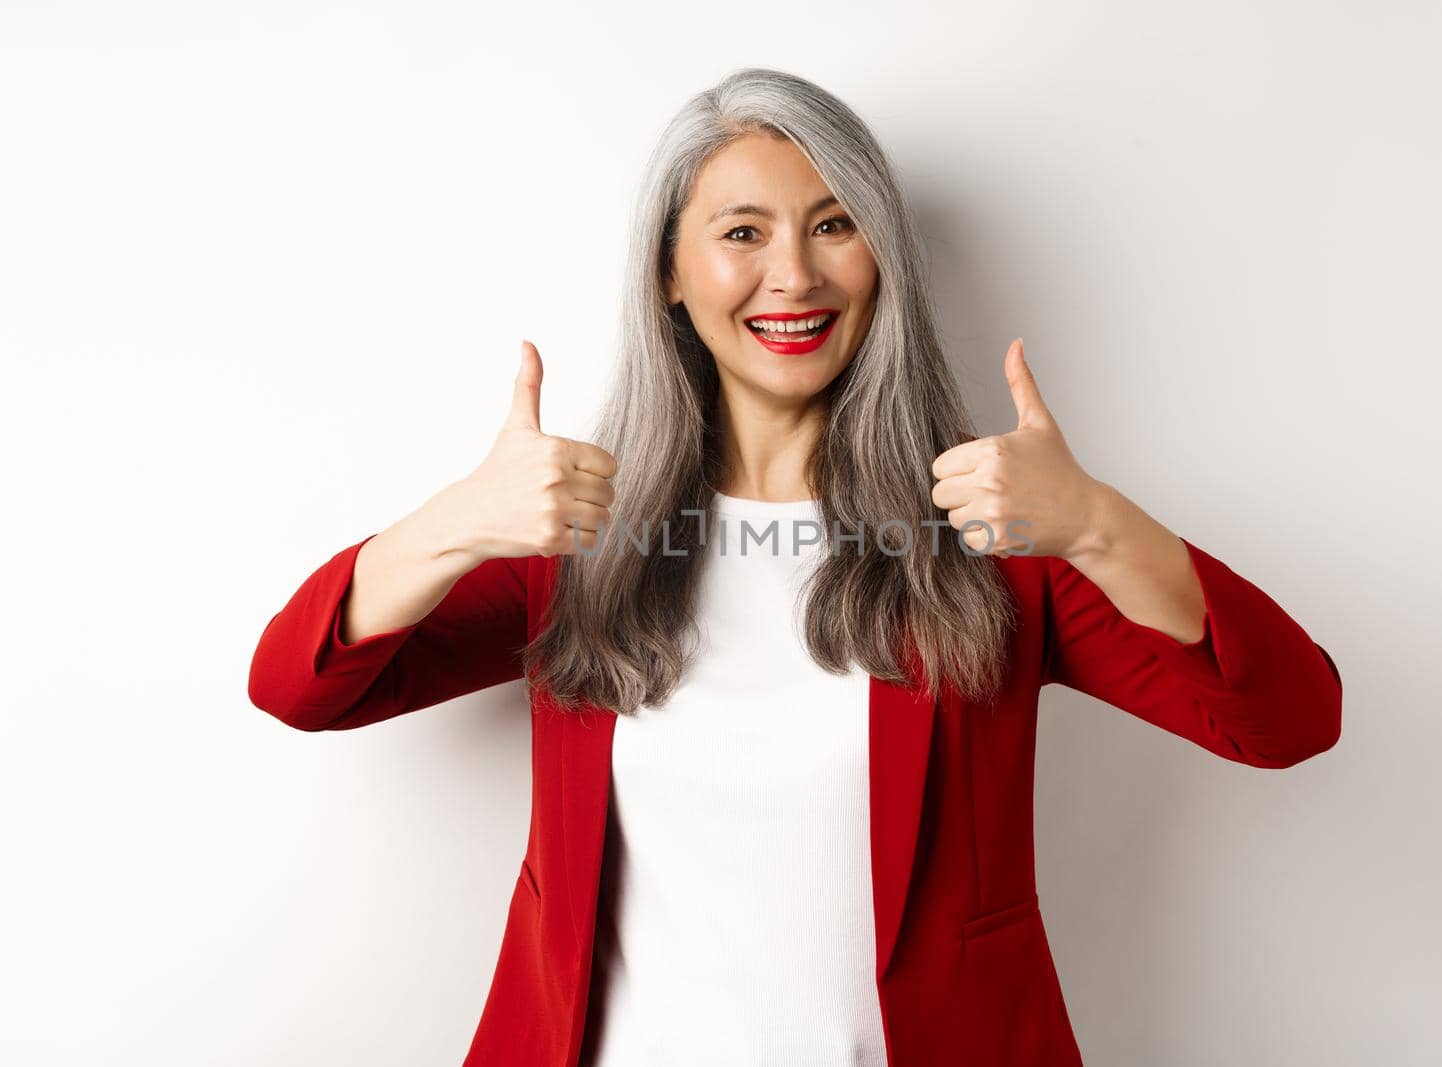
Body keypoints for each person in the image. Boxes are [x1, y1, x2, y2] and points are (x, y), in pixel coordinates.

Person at [248, 67, 1342, 1067]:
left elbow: (1286, 718)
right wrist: (452, 525)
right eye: (741, 230)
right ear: (671, 273)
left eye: (834, 224)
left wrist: (1100, 523)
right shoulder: (581, 541)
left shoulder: (995, 540)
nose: (794, 273)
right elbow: (300, 688)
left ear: (883, 261)